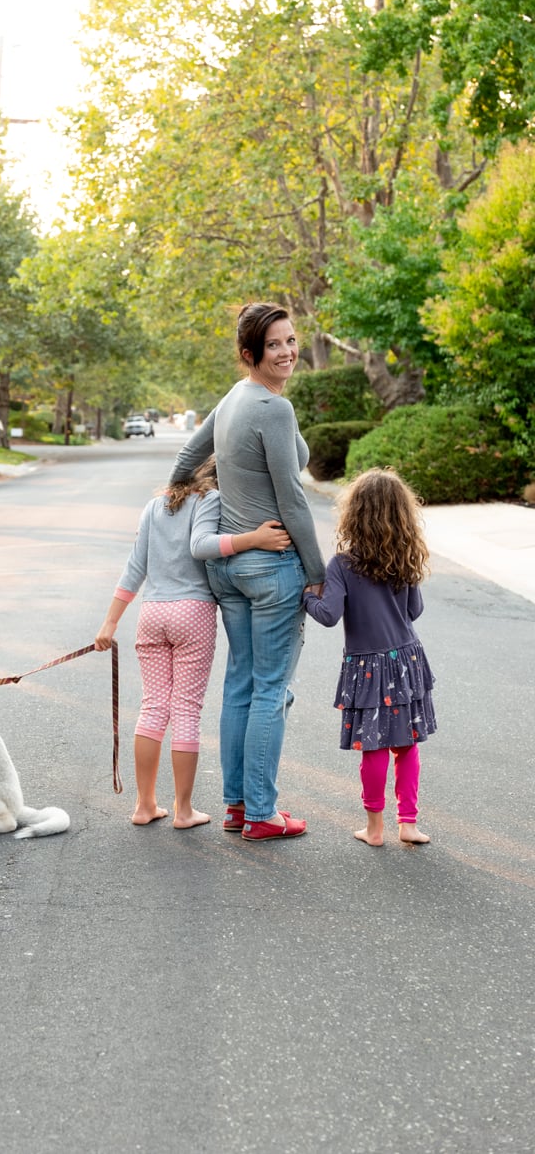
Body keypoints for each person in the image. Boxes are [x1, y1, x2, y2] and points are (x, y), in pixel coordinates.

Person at [170, 302, 326, 841]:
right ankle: (262, 812)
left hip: (230, 572)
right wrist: (317, 572)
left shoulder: (237, 398)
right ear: (249, 355)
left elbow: (189, 456)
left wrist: (170, 500)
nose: (287, 351)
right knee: (269, 689)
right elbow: (294, 498)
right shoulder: (270, 409)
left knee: (240, 685)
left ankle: (238, 806)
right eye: (274, 346)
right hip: (271, 566)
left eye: (290, 340)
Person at [94, 457, 291, 829]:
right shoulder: (211, 500)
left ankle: (144, 805)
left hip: (152, 613)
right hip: (193, 612)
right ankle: (183, 811)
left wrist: (110, 622)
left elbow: (135, 566)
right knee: (185, 710)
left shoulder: (156, 506)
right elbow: (206, 546)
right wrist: (255, 539)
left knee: (153, 708)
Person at [303, 468, 436, 846]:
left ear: (354, 514)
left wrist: (306, 596)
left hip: (368, 668)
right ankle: (407, 824)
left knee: (374, 747)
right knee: (407, 744)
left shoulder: (342, 565)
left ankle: (374, 829)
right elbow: (414, 611)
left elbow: (328, 616)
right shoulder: (405, 557)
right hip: (406, 660)